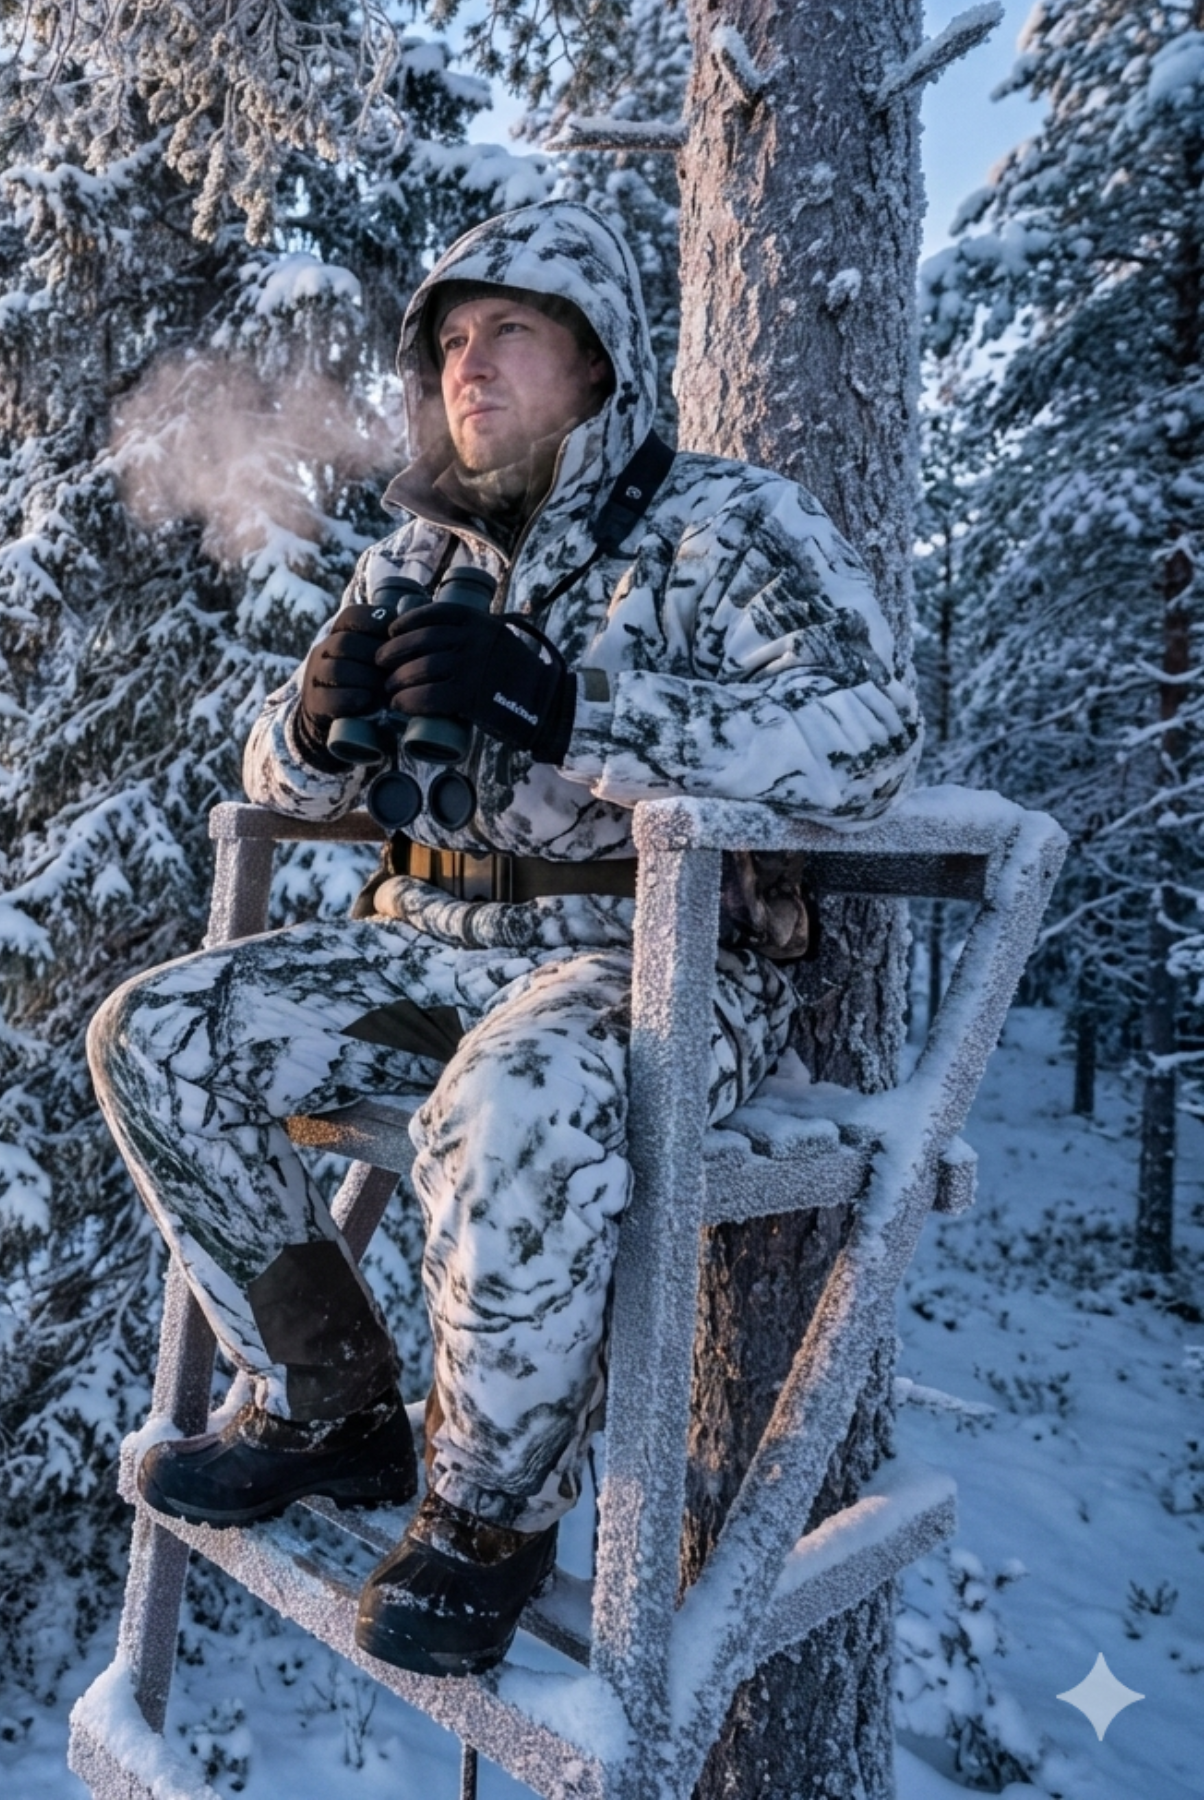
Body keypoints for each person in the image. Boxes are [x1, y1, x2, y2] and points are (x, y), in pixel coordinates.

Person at [87, 201, 920, 1679]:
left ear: (596, 363)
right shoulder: (417, 558)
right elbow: (274, 784)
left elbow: (871, 735)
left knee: (509, 1094)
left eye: (508, 333)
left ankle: (484, 1513)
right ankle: (330, 1404)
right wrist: (307, 724)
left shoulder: (728, 525)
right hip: (426, 941)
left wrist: (575, 711)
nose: (467, 369)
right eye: (449, 344)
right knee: (154, 1034)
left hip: (646, 961)